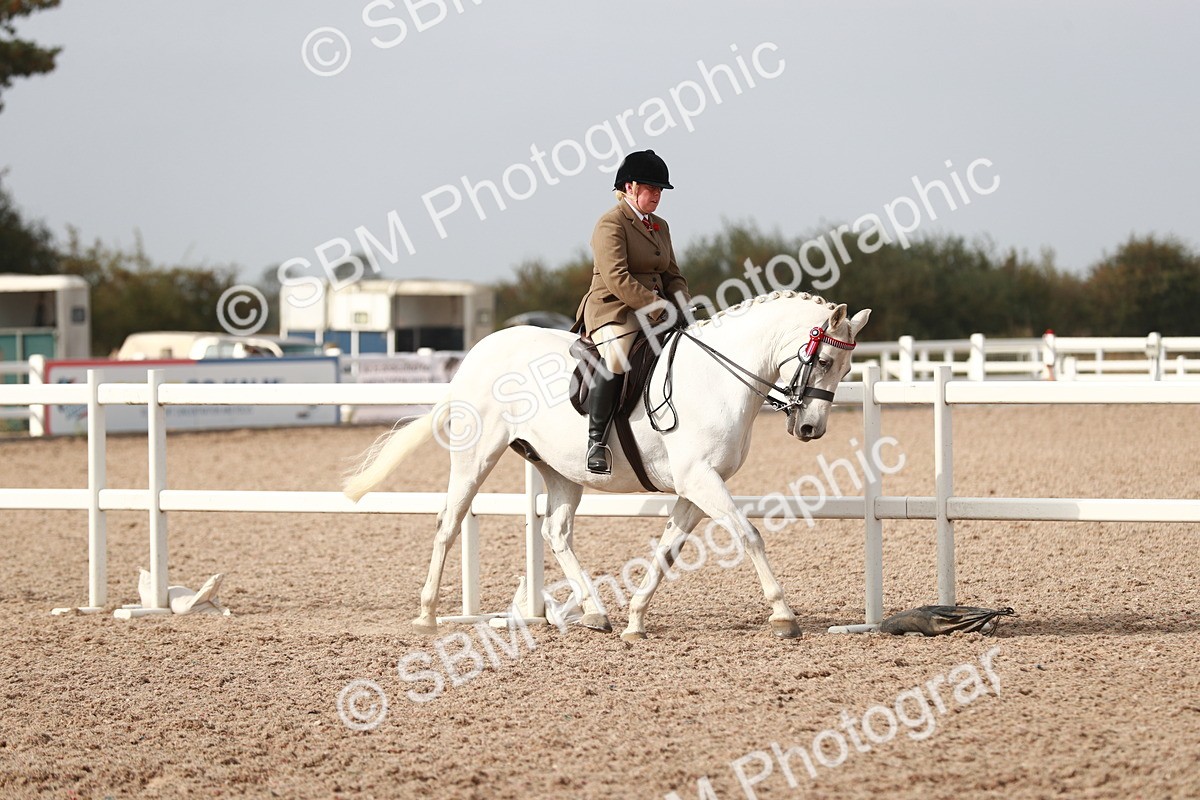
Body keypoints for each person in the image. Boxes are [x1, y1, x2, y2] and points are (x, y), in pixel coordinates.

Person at [573, 149, 691, 474]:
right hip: (614, 309)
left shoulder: (660, 226)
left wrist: (683, 306)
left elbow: (672, 275)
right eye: (651, 188)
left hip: (655, 309)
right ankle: (596, 442)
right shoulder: (610, 224)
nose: (657, 195)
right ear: (629, 187)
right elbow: (617, 278)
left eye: (660, 190)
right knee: (617, 355)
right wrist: (660, 308)